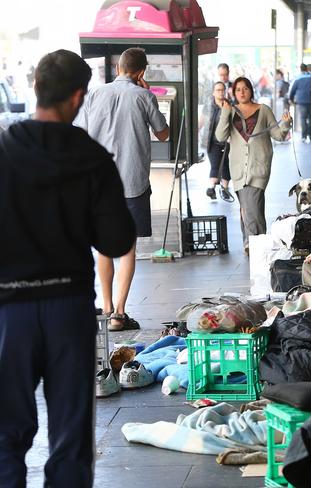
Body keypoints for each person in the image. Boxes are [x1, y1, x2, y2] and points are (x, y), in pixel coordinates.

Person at [0, 49, 135, 487]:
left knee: (5, 433)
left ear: (37, 90)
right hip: (68, 310)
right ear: (79, 96)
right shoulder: (92, 159)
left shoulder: (3, 149)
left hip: (8, 312)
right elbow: (116, 242)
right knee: (71, 437)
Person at [76, 47, 169, 331]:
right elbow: (163, 133)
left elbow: (80, 133)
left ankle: (105, 307)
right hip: (133, 182)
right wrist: (147, 91)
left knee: (103, 247)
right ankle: (119, 313)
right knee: (127, 248)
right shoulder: (144, 96)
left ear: (118, 68)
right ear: (141, 72)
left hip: (98, 183)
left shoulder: (94, 95)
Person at [215, 76, 292, 255]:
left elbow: (278, 135)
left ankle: (257, 243)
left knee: (253, 205)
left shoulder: (263, 110)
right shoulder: (230, 111)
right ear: (233, 93)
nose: (242, 92)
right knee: (246, 207)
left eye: (245, 88)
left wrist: (286, 123)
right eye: (238, 89)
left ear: (251, 90)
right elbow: (220, 136)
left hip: (258, 166)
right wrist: (225, 113)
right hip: (238, 168)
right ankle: (250, 243)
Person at [205, 81, 234, 202]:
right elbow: (202, 120)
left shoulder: (230, 105)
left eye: (223, 90)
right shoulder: (209, 106)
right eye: (218, 90)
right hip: (212, 141)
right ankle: (211, 188)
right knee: (215, 164)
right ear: (213, 92)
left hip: (227, 141)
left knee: (226, 164)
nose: (221, 92)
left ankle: (224, 188)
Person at [289, 63, 311, 143]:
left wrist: (291, 98)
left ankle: (304, 136)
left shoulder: (298, 78)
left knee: (303, 118)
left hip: (301, 101)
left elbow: (293, 90)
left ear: (300, 69)